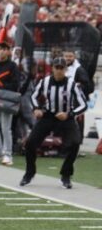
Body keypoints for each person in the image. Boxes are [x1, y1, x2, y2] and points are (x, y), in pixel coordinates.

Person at [20, 57, 88, 189]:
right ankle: (29, 173)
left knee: (75, 143)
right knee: (30, 143)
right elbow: (33, 96)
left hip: (66, 117)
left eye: (61, 68)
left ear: (65, 69)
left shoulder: (71, 84)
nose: (59, 71)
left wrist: (70, 114)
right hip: (48, 116)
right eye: (56, 68)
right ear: (52, 69)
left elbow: (83, 104)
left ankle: (66, 175)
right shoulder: (44, 82)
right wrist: (36, 109)